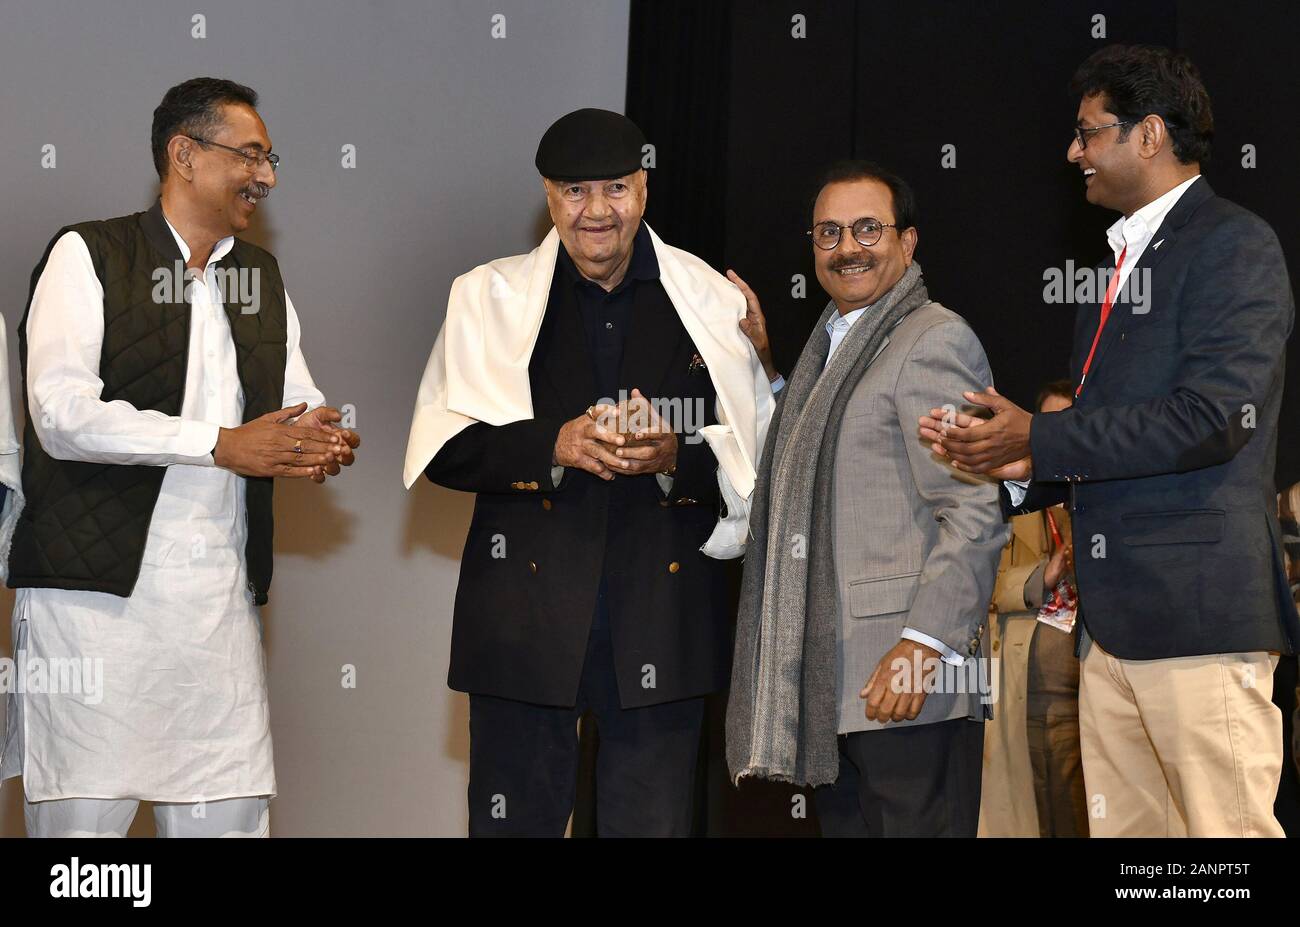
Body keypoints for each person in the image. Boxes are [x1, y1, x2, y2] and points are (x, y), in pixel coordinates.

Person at [921, 45, 1297, 837]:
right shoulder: (1116, 266)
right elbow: (1108, 443)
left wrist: (1047, 434)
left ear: (1150, 135)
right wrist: (1019, 461)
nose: (1074, 152)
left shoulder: (1234, 243)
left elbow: (1217, 416)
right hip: (1110, 627)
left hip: (1198, 619)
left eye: (1089, 133)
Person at [0, 77, 359, 838]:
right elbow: (61, 414)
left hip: (215, 608)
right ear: (184, 155)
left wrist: (316, 437)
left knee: (227, 817)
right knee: (85, 850)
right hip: (92, 608)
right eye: (250, 155)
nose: (266, 176)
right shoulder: (89, 253)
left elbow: (294, 397)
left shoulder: (258, 278)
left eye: (271, 159)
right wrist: (222, 444)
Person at [403, 108, 772, 836]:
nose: (596, 212)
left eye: (615, 189)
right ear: (548, 197)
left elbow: (757, 459)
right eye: (575, 191)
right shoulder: (486, 297)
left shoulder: (710, 300)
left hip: (663, 625)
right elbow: (444, 449)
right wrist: (555, 445)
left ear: (643, 190)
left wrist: (674, 458)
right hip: (522, 626)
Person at [727, 161, 1007, 836]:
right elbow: (813, 468)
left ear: (907, 243)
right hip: (843, 688)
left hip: (915, 682)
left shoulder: (933, 338)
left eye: (867, 228)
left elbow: (974, 509)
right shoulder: (831, 349)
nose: (847, 246)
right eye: (829, 232)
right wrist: (764, 370)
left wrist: (923, 643)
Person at [979, 379, 1088, 837]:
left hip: (1090, 707)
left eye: (1070, 423)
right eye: (1049, 425)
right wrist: (1038, 577)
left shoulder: (1100, 503)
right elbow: (975, 580)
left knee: (1088, 819)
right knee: (1028, 821)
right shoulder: (1007, 500)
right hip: (1020, 706)